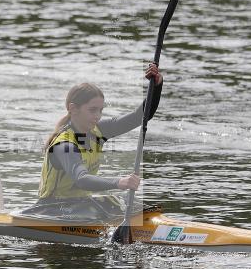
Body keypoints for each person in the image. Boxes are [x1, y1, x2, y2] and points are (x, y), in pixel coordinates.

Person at [30, 64, 163, 221]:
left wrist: (156, 85)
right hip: (50, 209)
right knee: (101, 207)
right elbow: (82, 179)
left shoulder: (98, 132)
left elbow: (139, 116)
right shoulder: (64, 145)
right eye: (93, 110)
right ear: (73, 109)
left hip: (79, 205)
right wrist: (119, 182)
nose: (98, 116)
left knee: (129, 202)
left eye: (100, 110)